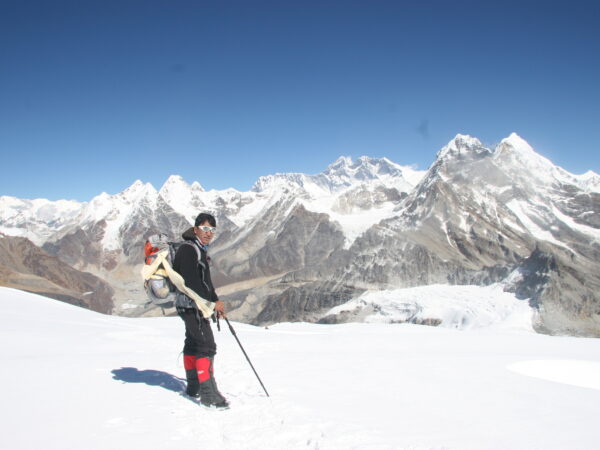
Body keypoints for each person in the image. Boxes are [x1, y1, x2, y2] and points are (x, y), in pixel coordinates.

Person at [172, 212, 228, 408]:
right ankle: (208, 393)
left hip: (190, 305)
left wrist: (215, 301)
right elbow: (192, 283)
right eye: (205, 229)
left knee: (193, 343)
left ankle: (193, 386)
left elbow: (206, 282)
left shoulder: (199, 249)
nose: (208, 233)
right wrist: (211, 304)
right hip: (191, 306)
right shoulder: (189, 250)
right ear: (195, 229)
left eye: (212, 230)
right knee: (206, 345)